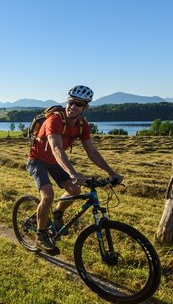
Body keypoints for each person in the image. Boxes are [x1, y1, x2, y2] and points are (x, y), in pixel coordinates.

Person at [26, 85, 123, 254]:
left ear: (85, 107)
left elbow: (92, 152)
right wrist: (72, 172)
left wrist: (111, 172)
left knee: (75, 189)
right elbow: (56, 149)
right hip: (37, 160)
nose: (73, 106)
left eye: (78, 104)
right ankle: (41, 236)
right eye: (71, 102)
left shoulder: (82, 125)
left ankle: (57, 214)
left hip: (55, 162)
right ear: (67, 100)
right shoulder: (55, 120)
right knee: (48, 195)